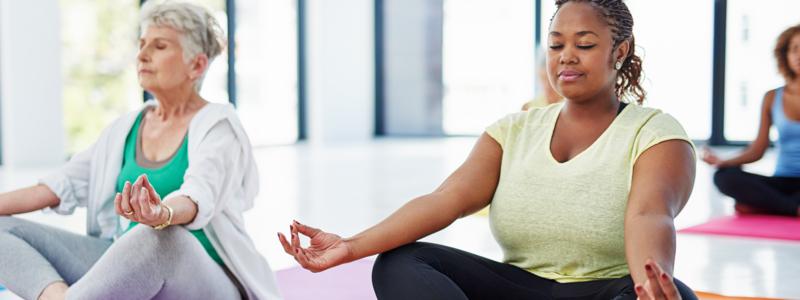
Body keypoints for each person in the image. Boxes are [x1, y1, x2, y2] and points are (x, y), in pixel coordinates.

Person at [279, 0, 697, 299]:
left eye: (584, 45)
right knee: (400, 263)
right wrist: (351, 247)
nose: (567, 57)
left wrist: (651, 286)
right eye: (556, 45)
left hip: (606, 290)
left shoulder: (655, 132)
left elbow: (648, 213)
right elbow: (446, 200)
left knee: (675, 294)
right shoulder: (512, 130)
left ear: (619, 51)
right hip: (517, 286)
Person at [0, 1, 280, 299]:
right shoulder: (126, 128)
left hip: (206, 283)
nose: (142, 55)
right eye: (142, 43)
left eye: (159, 46)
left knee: (158, 236)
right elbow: (54, 188)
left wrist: (163, 213)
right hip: (138, 271)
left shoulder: (218, 127)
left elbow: (199, 194)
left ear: (196, 65)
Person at [703, 24, 800, 218]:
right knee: (724, 177)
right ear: (785, 55)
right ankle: (792, 208)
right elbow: (758, 149)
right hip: (780, 182)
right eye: (794, 48)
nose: (799, 55)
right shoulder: (772, 97)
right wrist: (724, 161)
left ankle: (767, 206)